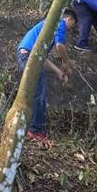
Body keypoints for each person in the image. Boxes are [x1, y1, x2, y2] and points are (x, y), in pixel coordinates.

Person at [17, 8, 76, 143]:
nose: (70, 28)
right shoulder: (59, 23)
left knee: (35, 93)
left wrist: (58, 71)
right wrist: (66, 63)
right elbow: (60, 45)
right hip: (28, 57)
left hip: (26, 56)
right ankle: (36, 131)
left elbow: (42, 57)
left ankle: (30, 128)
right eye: (72, 25)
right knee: (40, 94)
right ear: (69, 19)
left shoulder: (47, 27)